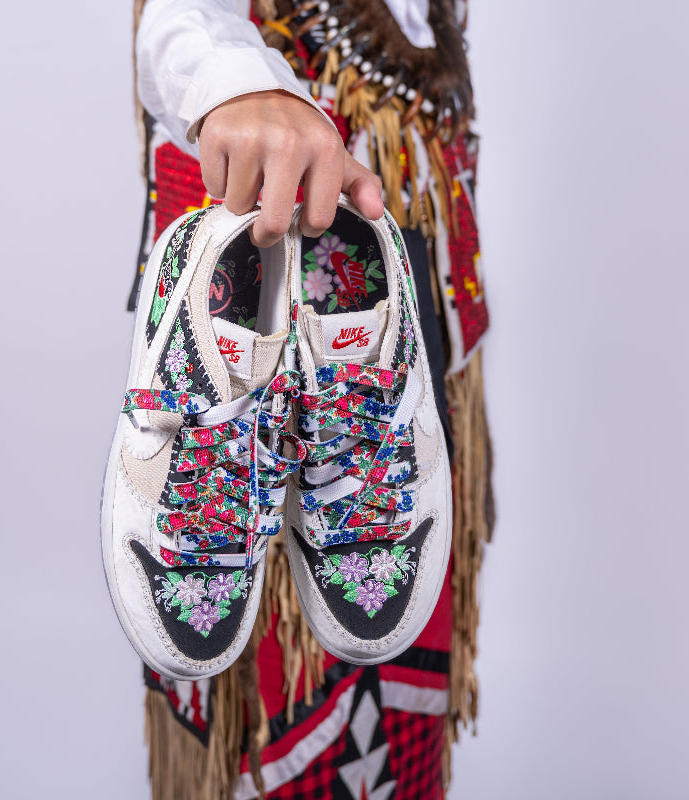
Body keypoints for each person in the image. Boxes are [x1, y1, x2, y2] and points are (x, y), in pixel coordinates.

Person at [130, 2, 493, 798]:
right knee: (265, 671)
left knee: (402, 634)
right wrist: (236, 85)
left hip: (411, 368)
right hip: (260, 364)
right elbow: (179, 20)